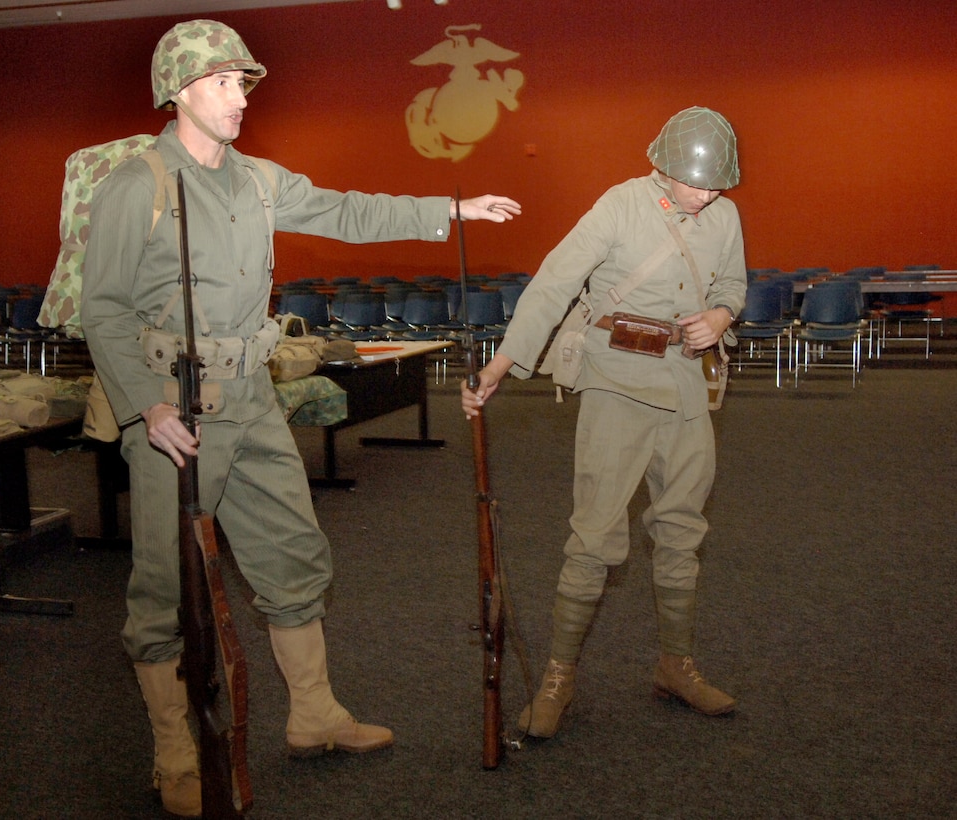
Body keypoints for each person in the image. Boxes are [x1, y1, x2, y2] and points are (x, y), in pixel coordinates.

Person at [80, 19, 520, 818]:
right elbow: (102, 311)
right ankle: (176, 750)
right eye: (221, 82)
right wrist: (145, 407)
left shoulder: (256, 179)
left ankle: (313, 713)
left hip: (251, 398)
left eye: (243, 82)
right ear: (178, 92)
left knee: (293, 552)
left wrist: (448, 207)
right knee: (166, 583)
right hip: (172, 406)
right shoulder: (138, 186)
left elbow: (347, 210)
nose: (239, 97)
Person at [461, 106, 745, 739]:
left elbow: (732, 284)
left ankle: (676, 665)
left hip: (688, 386)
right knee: (593, 538)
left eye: (717, 185)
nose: (707, 197)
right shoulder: (619, 206)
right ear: (663, 167)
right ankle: (559, 676)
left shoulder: (723, 215)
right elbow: (553, 283)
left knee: (681, 530)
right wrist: (501, 364)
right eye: (696, 184)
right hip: (617, 381)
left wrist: (721, 316)